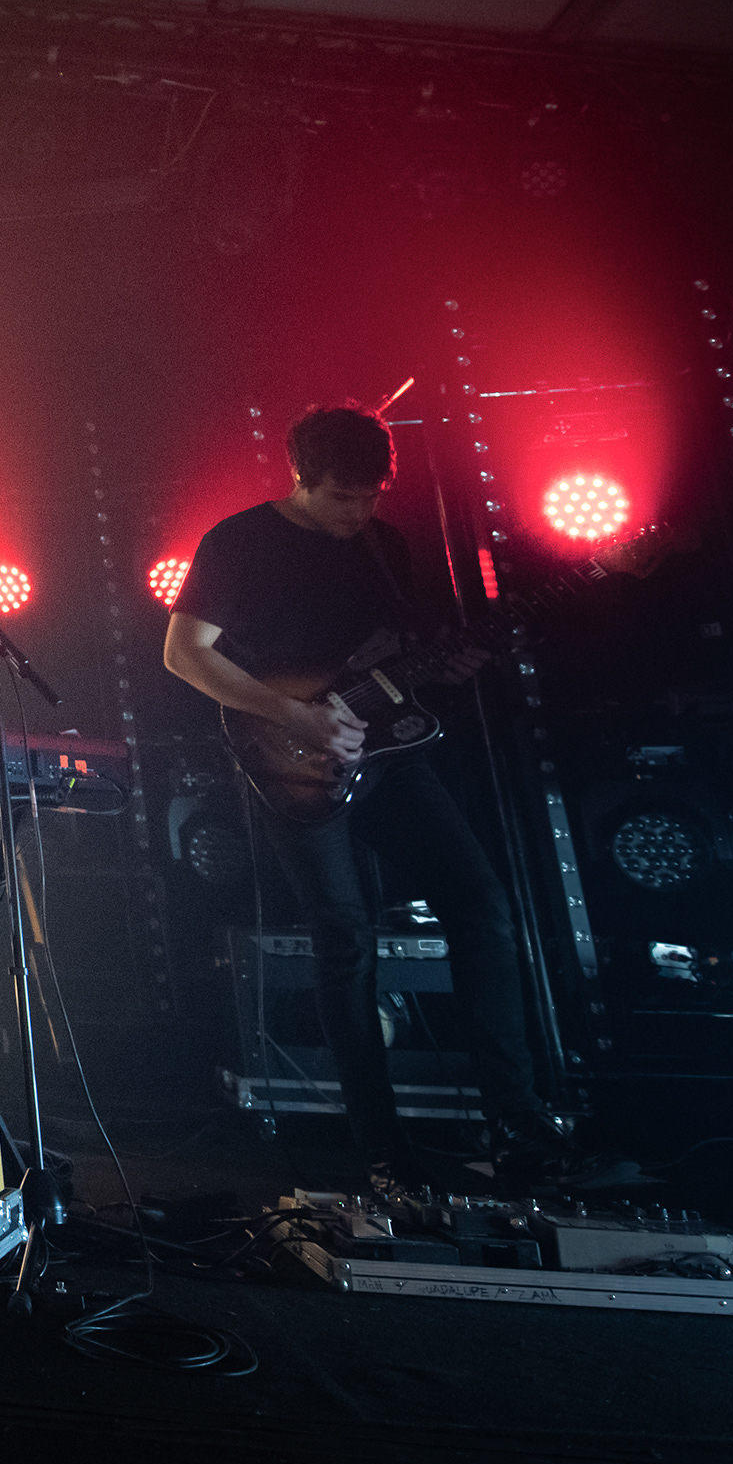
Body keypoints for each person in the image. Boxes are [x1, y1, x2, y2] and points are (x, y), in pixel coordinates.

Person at [160, 404, 568, 1183]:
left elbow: (392, 664)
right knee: (345, 938)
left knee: (481, 904)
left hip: (388, 753)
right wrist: (293, 715)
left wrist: (445, 668)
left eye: (371, 496)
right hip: (291, 758)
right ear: (299, 477)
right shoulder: (239, 542)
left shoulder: (386, 546)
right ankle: (382, 1150)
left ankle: (517, 1124)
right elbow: (184, 654)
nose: (358, 512)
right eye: (342, 497)